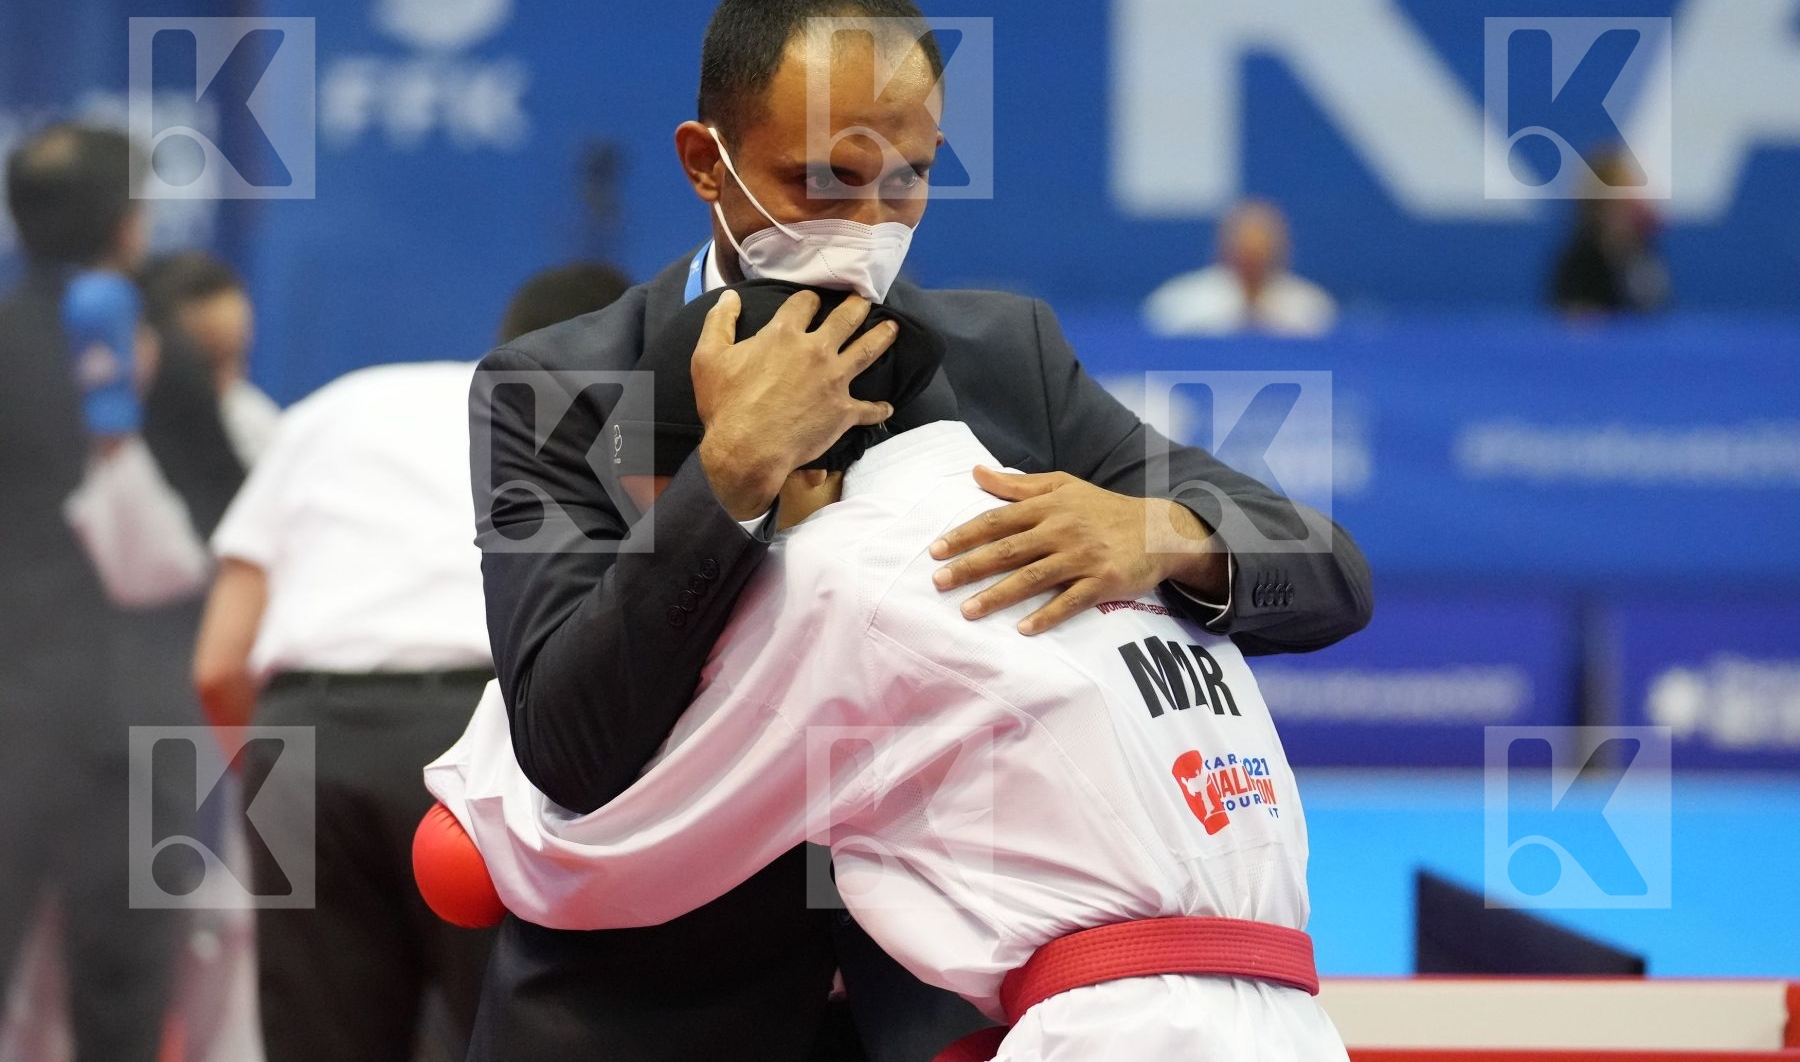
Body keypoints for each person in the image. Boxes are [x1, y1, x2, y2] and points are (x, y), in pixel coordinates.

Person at [472, 0, 1372, 1062]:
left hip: (939, 1024)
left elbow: (1329, 570)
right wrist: (732, 475)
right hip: (646, 1016)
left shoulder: (1004, 360)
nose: (869, 223)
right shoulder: (556, 388)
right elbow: (569, 740)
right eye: (824, 179)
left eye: (908, 179)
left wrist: (1164, 534)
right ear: (706, 162)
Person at [428, 281, 1348, 1061]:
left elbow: (626, 839)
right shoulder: (1114, 547)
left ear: (798, 464)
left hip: (1113, 1031)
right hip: (1287, 1021)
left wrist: (483, 766)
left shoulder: (846, 575)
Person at [190, 262, 629, 1062]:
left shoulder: (332, 408)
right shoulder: (578, 423)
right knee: (513, 1038)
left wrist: (272, 778)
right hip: (479, 746)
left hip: (296, 751)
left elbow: (218, 665)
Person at [0, 123, 216, 1062]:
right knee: (123, 1012)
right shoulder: (160, 347)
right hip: (140, 725)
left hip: (12, 716)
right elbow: (227, 526)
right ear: (128, 224)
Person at [141, 250, 282, 466]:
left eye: (237, 357)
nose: (227, 380)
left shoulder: (259, 429)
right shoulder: (116, 443)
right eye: (208, 364)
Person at [1142, 199, 1337, 337]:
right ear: (1223, 248)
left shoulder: (1309, 308)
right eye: (1245, 252)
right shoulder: (1182, 303)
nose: (1252, 261)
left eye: (1261, 253)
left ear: (1282, 252)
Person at [1547, 146, 1671, 316]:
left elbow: (1658, 311)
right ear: (1599, 208)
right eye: (1622, 202)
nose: (1634, 205)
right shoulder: (1579, 263)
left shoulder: (1643, 254)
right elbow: (1573, 319)